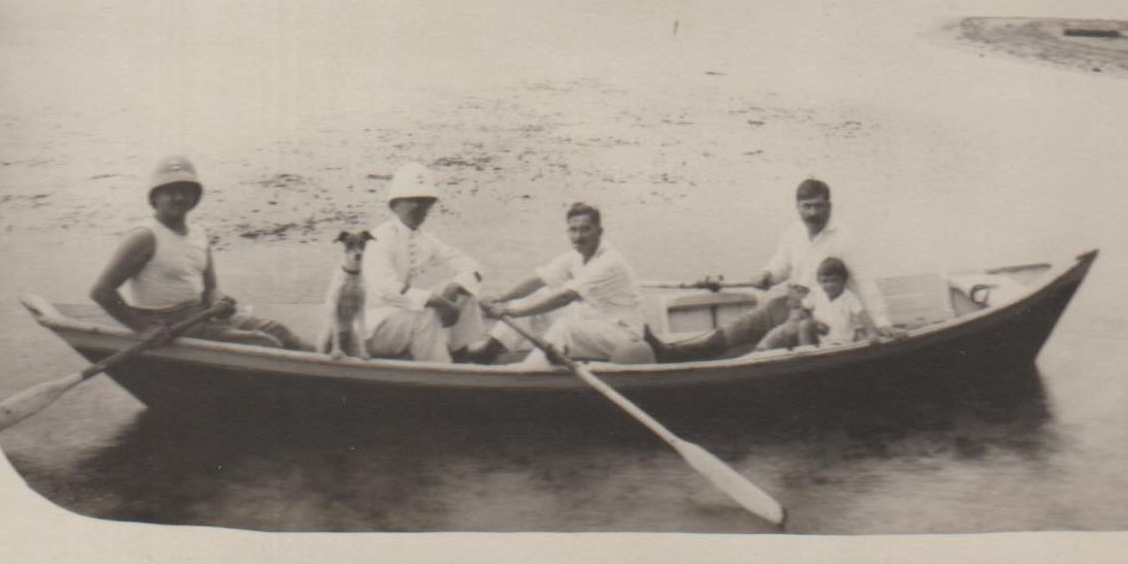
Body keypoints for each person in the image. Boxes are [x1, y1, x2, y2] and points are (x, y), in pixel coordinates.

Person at [646, 177, 895, 361]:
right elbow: (781, 264)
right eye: (807, 206)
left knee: (770, 342)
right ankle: (672, 354)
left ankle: (743, 366)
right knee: (739, 328)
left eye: (819, 206)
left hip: (816, 314)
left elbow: (864, 282)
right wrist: (767, 274)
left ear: (829, 206)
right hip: (790, 301)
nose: (813, 213)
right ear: (797, 207)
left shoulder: (845, 238)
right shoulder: (794, 231)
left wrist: (881, 322)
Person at [89, 155, 307, 350]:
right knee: (265, 344)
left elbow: (210, 288)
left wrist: (218, 302)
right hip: (171, 325)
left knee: (278, 331)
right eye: (170, 192)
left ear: (195, 197)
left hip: (202, 314)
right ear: (155, 198)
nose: (179, 198)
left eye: (186, 191)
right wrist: (142, 328)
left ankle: (335, 368)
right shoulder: (144, 237)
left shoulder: (199, 234)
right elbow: (101, 292)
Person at [469, 202, 645, 368]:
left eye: (586, 230)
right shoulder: (575, 257)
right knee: (537, 295)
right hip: (591, 321)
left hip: (622, 335)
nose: (578, 237)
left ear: (599, 232)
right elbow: (538, 280)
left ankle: (528, 371)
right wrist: (501, 298)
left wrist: (511, 312)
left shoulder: (609, 262)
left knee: (564, 327)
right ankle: (488, 352)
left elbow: (565, 297)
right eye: (573, 230)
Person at [358, 161, 489, 363]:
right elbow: (387, 288)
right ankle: (439, 372)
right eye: (410, 200)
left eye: (424, 201)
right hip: (371, 330)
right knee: (427, 313)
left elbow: (471, 266)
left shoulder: (423, 239)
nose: (417, 206)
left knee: (464, 295)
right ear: (394, 204)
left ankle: (461, 357)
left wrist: (456, 285)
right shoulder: (378, 238)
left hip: (401, 319)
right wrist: (435, 300)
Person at [754, 257, 881, 352]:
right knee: (804, 325)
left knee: (862, 336)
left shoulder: (849, 297)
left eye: (834, 280)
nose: (829, 285)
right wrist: (814, 322)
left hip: (845, 341)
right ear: (819, 281)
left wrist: (871, 333)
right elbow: (804, 311)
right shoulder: (816, 293)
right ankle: (807, 352)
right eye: (825, 281)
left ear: (843, 280)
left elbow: (863, 315)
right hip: (822, 340)